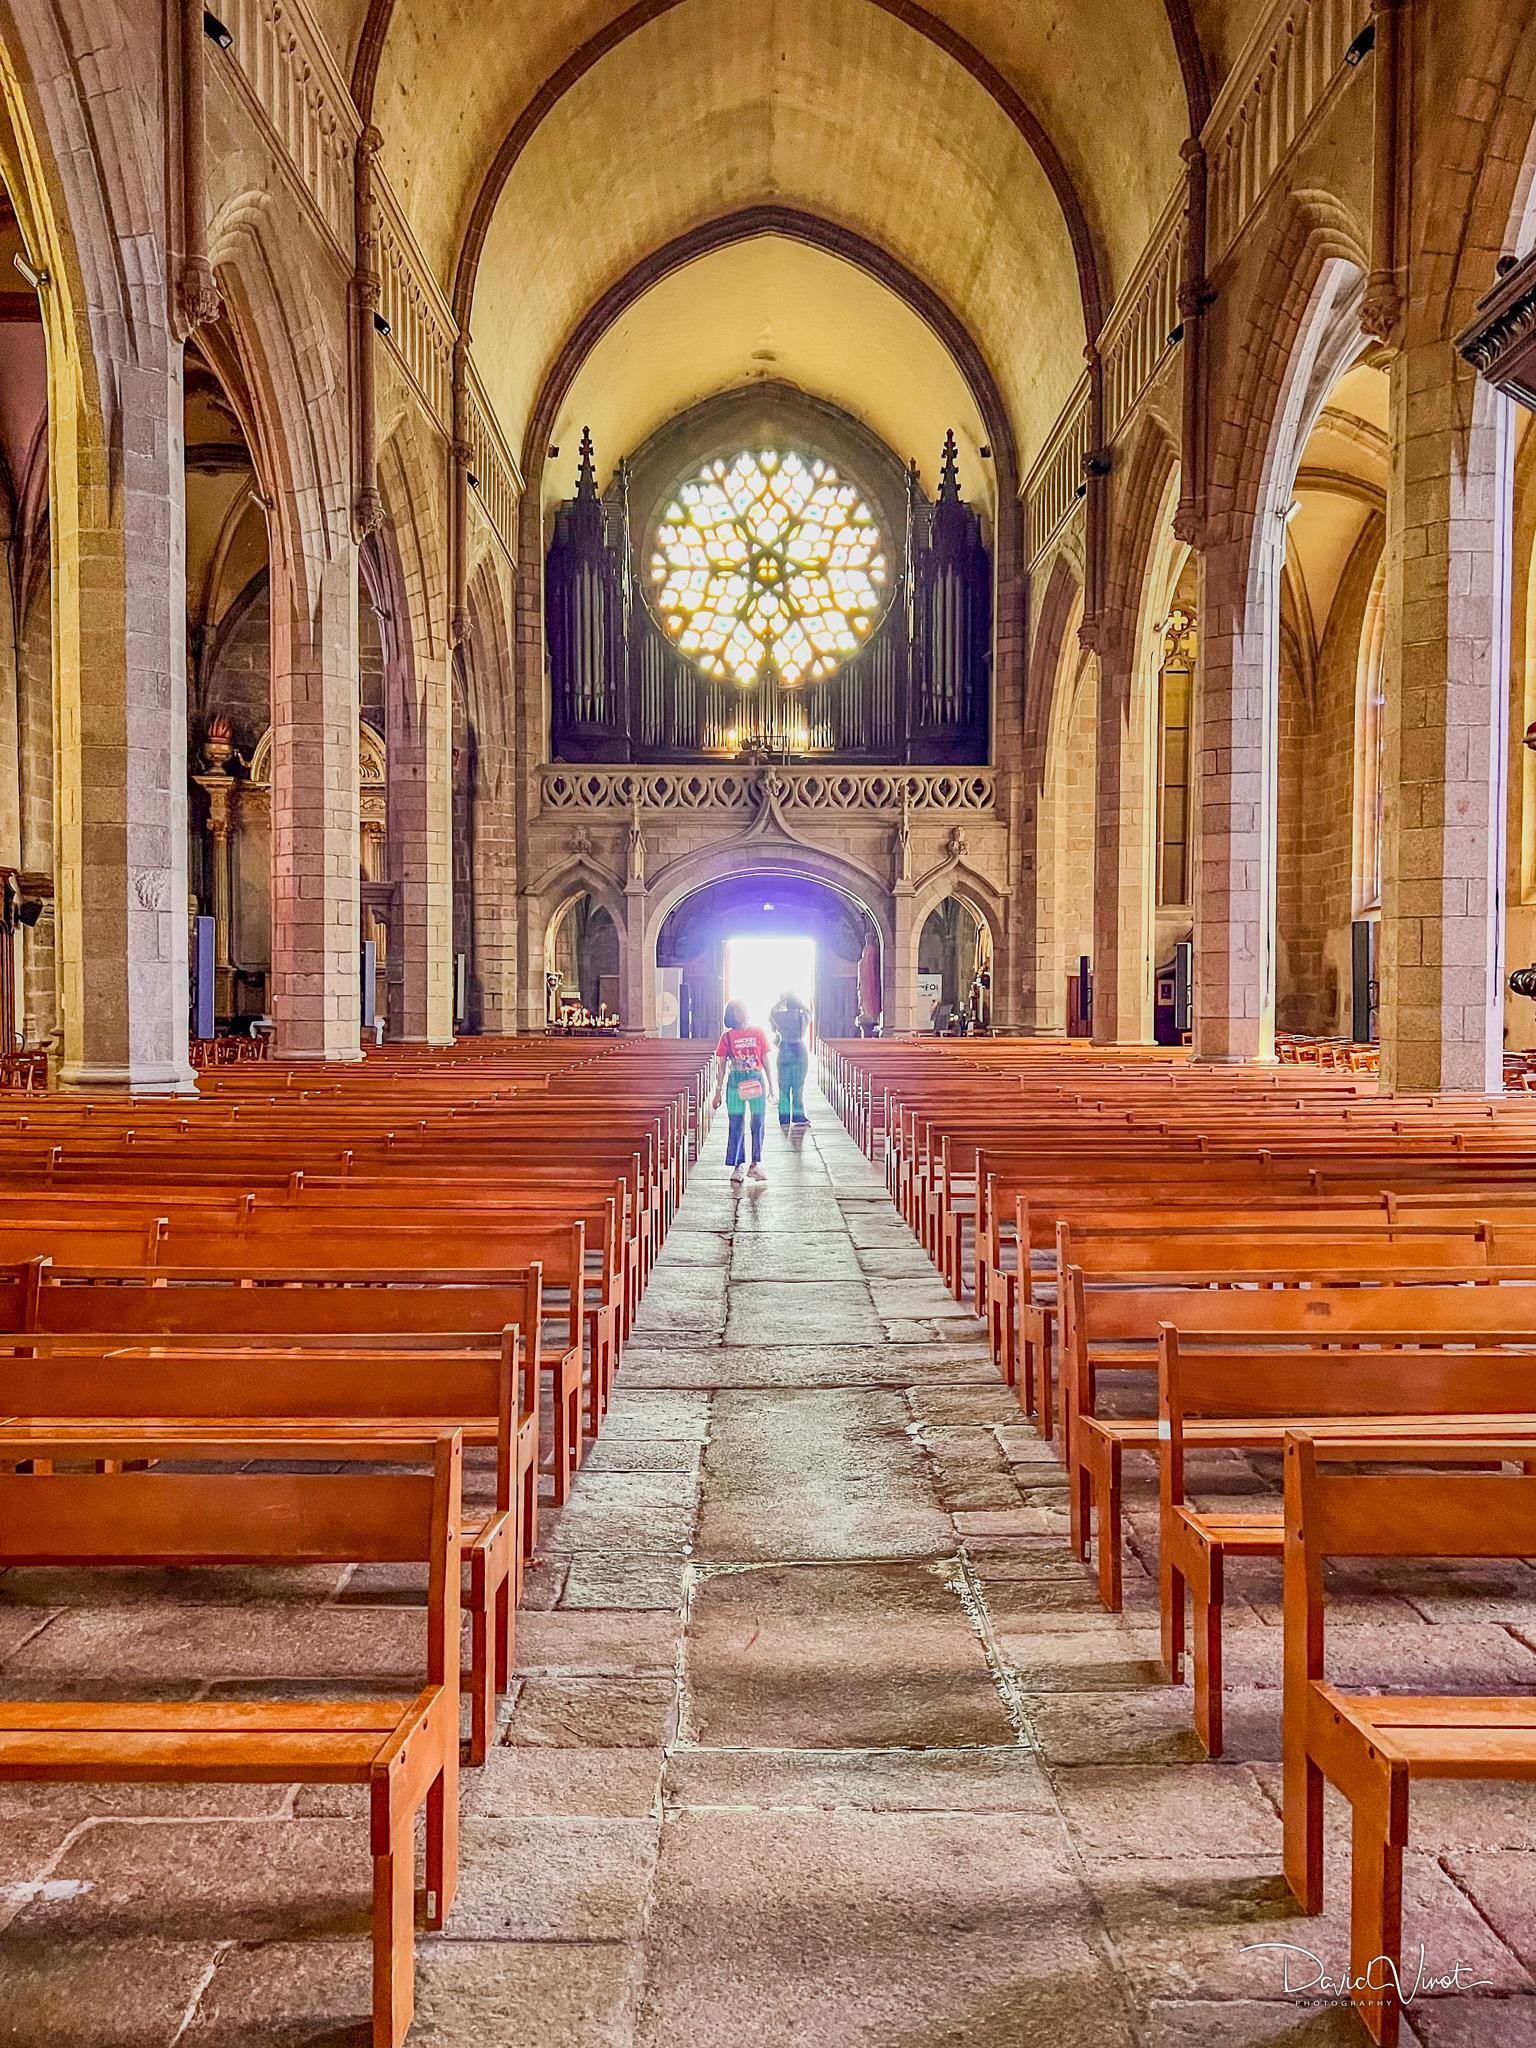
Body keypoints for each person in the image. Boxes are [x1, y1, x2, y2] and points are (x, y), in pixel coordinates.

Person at [714, 998, 771, 1183]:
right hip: (735, 1082)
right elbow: (721, 1066)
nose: (742, 1013)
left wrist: (771, 1085)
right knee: (736, 1123)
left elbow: (765, 1059)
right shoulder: (727, 1037)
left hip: (755, 1079)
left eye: (744, 1009)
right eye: (738, 1011)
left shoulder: (758, 1031)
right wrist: (718, 1091)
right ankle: (737, 1166)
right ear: (732, 1015)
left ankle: (755, 1164)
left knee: (758, 1122)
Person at [769, 989, 811, 1128]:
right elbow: (809, 1012)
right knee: (798, 1085)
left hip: (785, 1047)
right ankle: (798, 1115)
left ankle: (784, 1116)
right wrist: (800, 1004)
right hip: (799, 1048)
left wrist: (783, 999)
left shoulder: (781, 1016)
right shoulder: (802, 1016)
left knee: (783, 1085)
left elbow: (773, 1011)